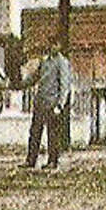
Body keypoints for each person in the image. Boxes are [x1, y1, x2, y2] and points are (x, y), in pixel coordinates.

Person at [20, 36, 73, 169]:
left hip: (52, 103)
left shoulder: (62, 63)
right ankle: (31, 160)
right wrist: (19, 84)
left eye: (55, 44)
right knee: (34, 132)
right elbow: (34, 78)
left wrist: (60, 105)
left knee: (53, 134)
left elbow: (65, 85)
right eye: (51, 44)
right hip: (40, 102)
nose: (52, 47)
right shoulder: (44, 61)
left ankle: (52, 160)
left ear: (59, 46)